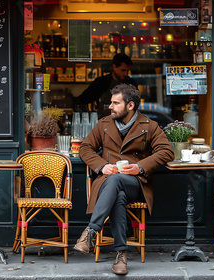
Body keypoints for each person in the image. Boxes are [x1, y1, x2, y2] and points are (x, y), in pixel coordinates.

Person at [74, 84, 174, 275]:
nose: (110, 106)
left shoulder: (149, 126)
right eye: (111, 103)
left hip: (135, 184)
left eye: (115, 103)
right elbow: (85, 148)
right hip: (107, 181)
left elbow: (167, 152)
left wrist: (140, 167)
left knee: (118, 182)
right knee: (117, 193)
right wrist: (102, 166)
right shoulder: (103, 124)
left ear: (130, 106)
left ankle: (90, 231)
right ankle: (121, 255)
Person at [77, 53, 137, 117]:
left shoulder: (131, 83)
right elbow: (82, 100)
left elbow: (135, 105)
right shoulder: (101, 82)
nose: (126, 74)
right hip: (103, 122)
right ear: (114, 67)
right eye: (123, 70)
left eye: (127, 71)